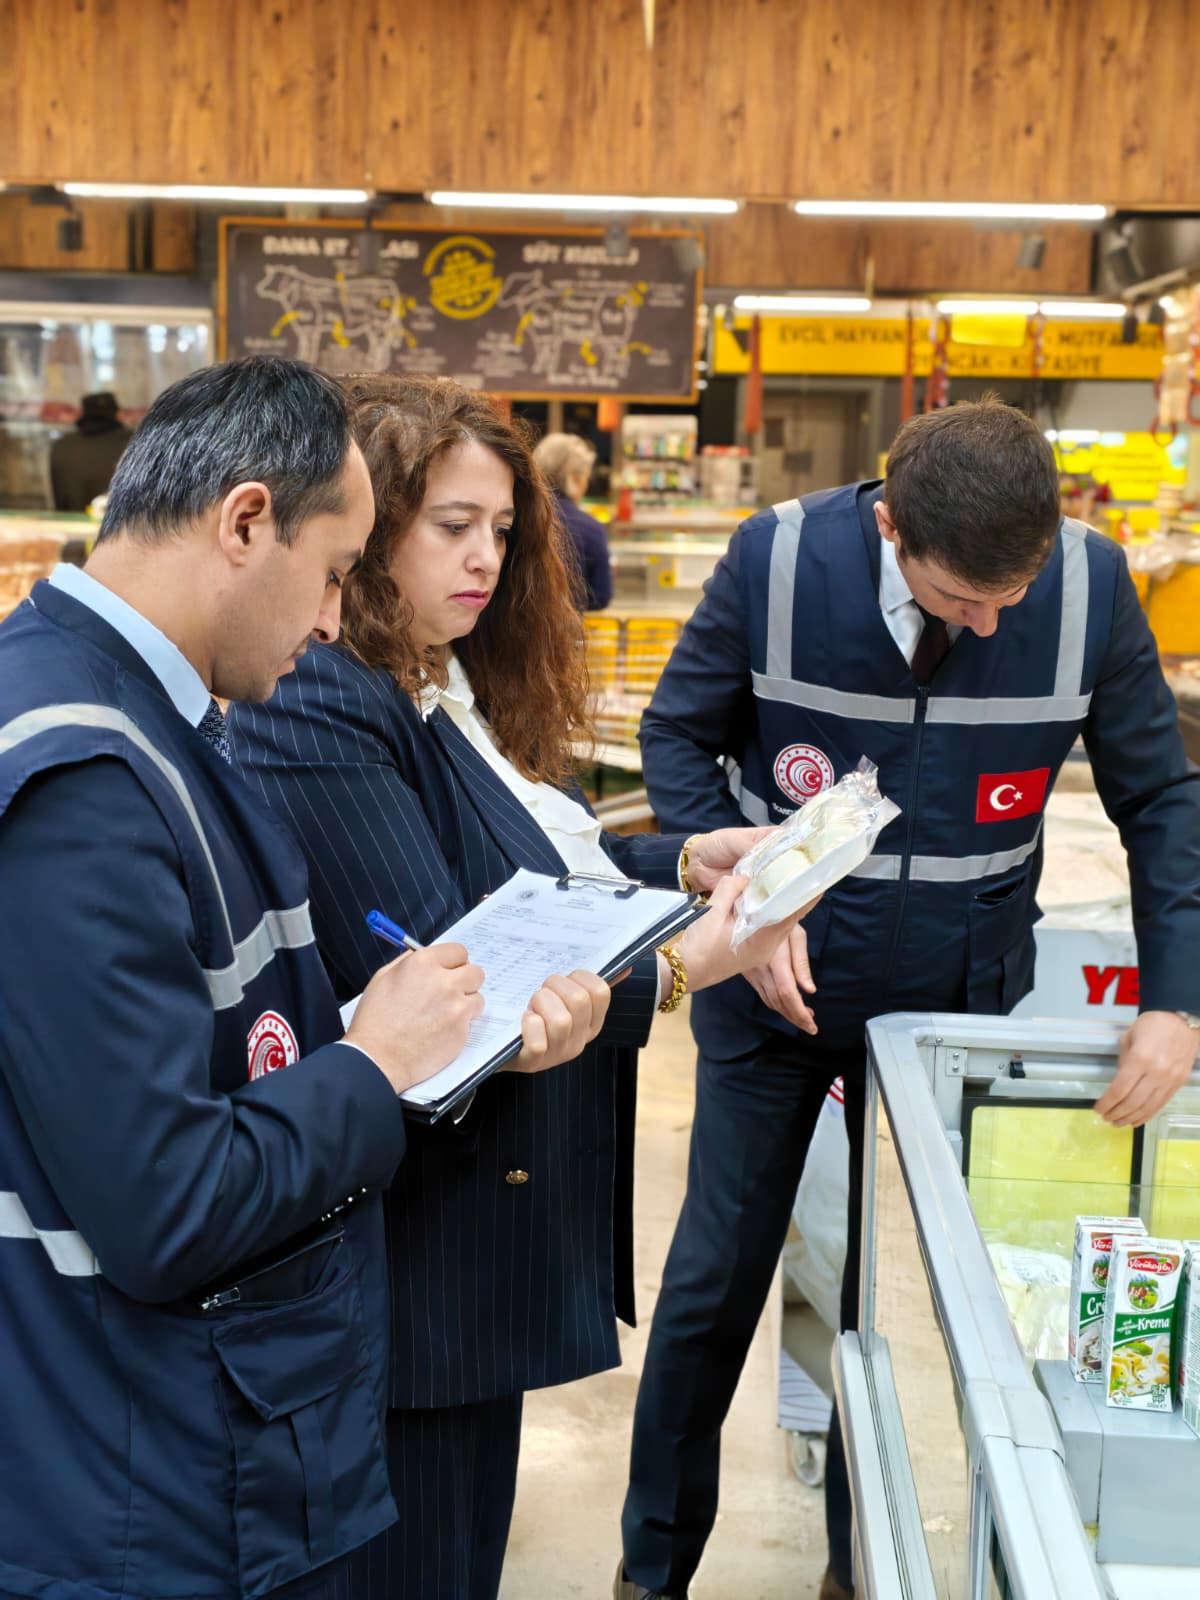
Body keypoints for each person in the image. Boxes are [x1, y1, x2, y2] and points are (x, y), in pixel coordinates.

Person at [0, 355, 611, 1600]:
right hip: (134, 1484)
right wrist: (372, 1065)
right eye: (333, 574)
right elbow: (168, 1203)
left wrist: (335, 1037)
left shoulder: (165, 725)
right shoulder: (87, 782)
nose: (336, 621)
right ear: (243, 522)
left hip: (194, 1444)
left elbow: (205, 1064)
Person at [228, 373, 809, 1600]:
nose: (484, 558)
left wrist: (674, 860)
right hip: (415, 1256)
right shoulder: (328, 696)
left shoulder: (437, 680)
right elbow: (458, 965)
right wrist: (684, 961)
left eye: (502, 530)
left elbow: (522, 863)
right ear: (366, 523)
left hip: (464, 1256)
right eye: (451, 525)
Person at [618, 398, 1200, 1600]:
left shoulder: (1091, 587)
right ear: (888, 527)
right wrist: (753, 901)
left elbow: (1160, 801)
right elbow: (675, 737)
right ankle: (651, 1572)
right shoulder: (776, 561)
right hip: (778, 1004)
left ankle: (858, 1569)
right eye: (956, 602)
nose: (990, 624)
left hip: (954, 1016)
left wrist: (1177, 997)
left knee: (910, 1305)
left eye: (1011, 598)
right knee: (714, 1287)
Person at [533, 428, 613, 608]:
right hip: (565, 631)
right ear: (575, 479)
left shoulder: (518, 516)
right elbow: (601, 596)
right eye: (585, 477)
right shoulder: (591, 529)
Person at [49, 389, 133, 510]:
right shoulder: (134, 442)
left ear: (83, 413)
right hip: (120, 524)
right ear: (117, 414)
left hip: (73, 524)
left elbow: (60, 500)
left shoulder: (62, 445)